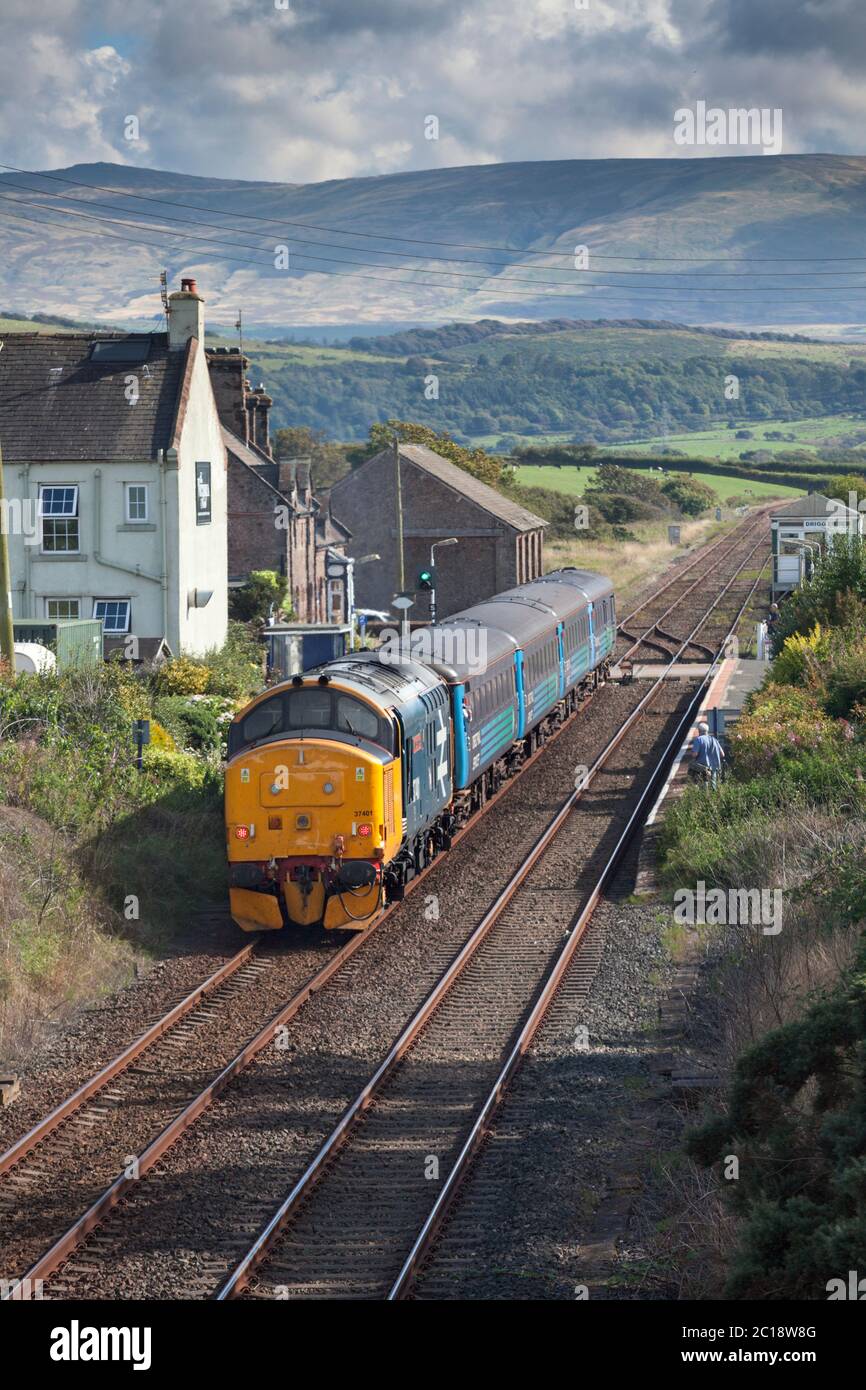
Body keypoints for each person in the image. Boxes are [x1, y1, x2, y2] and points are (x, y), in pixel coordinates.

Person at [690, 720, 725, 788]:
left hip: (702, 768)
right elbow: (722, 754)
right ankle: (713, 794)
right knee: (713, 786)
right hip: (714, 767)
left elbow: (694, 754)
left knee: (704, 786)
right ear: (707, 731)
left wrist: (693, 752)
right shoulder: (714, 740)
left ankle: (705, 794)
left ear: (699, 731)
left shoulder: (698, 740)